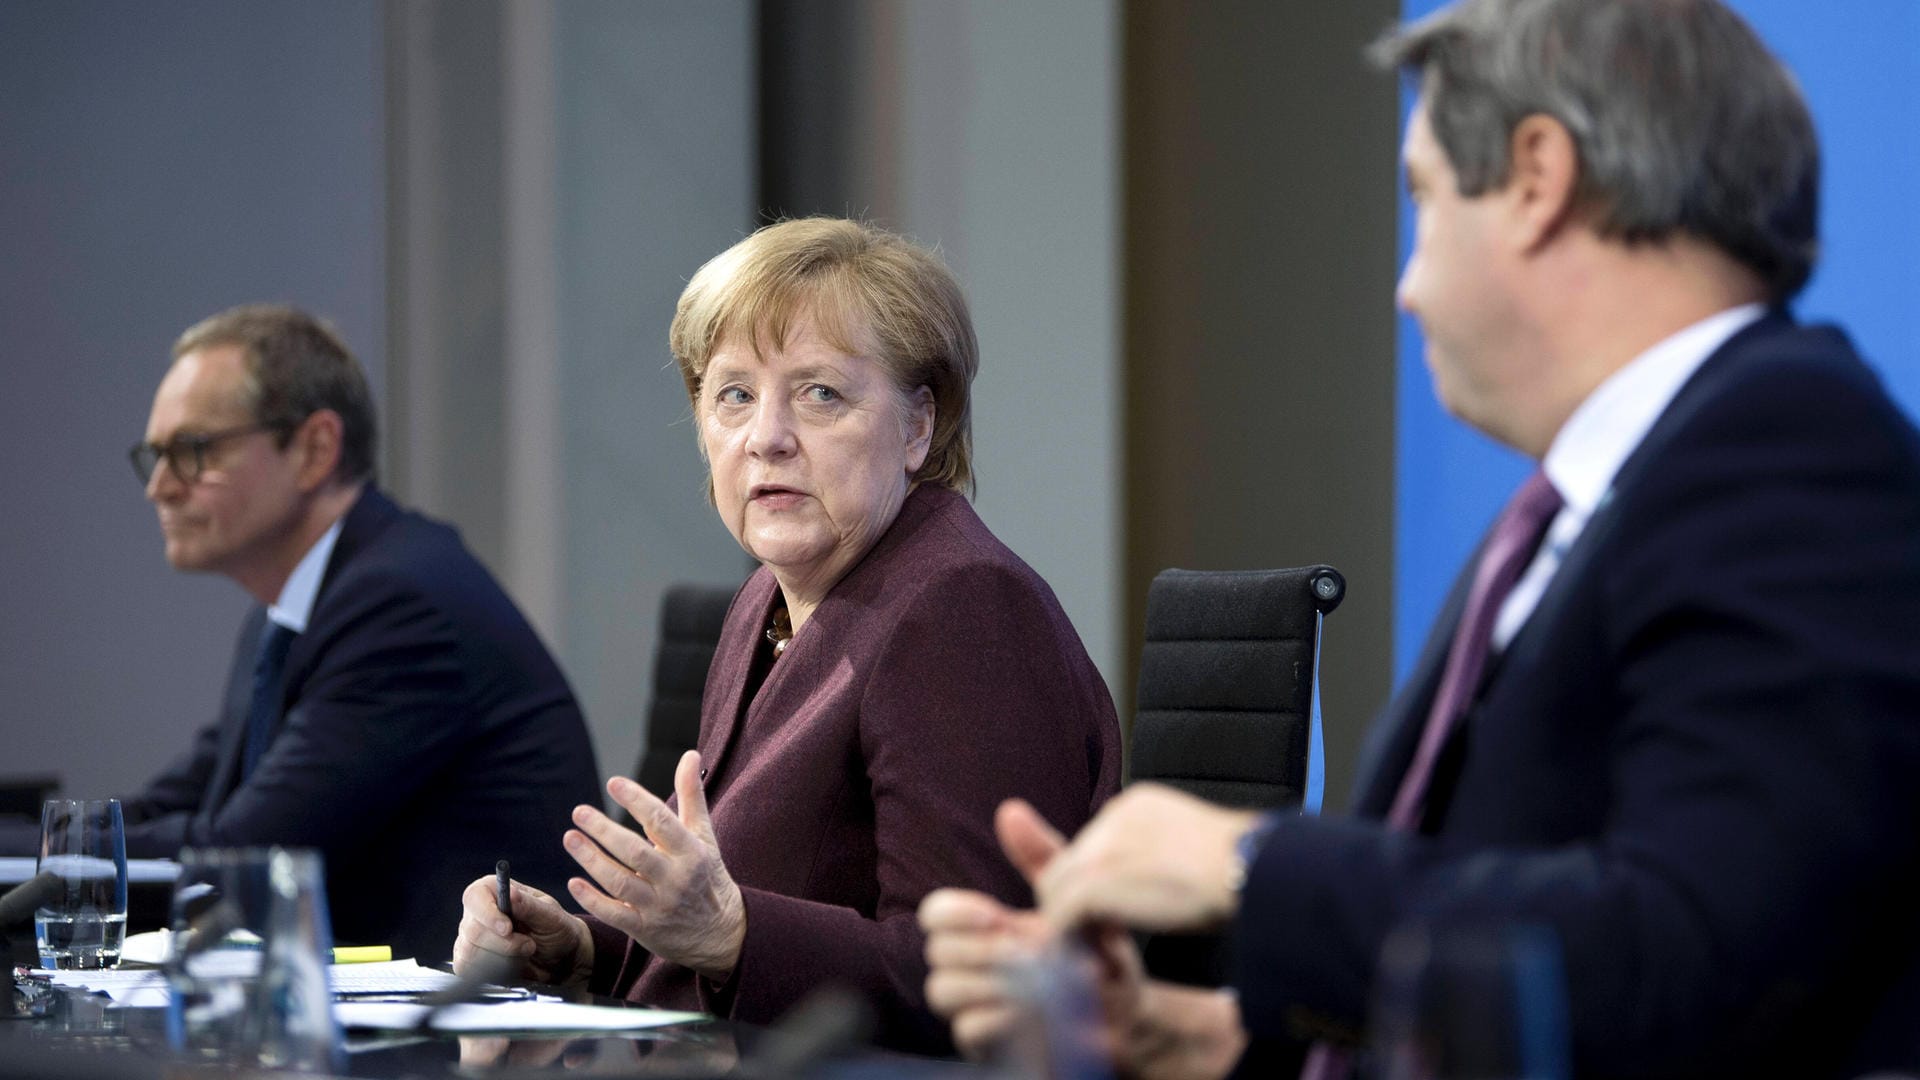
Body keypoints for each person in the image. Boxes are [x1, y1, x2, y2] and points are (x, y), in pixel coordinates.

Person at [920, 1, 1920, 1076]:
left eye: (1425, 200)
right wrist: (1194, 1040)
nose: (1404, 288)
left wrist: (1249, 861)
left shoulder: (1789, 451)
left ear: (1538, 177)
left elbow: (1695, 950)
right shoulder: (1598, 501)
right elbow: (1507, 934)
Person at [451, 217, 1123, 1052]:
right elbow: (751, 900)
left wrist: (731, 935)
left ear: (920, 427)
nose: (764, 436)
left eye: (820, 394)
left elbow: (979, 985)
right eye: (733, 394)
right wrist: (582, 951)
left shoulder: (961, 606)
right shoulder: (768, 600)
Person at [61, 304, 600, 960]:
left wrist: (53, 858)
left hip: (467, 1037)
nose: (158, 487)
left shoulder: (402, 604)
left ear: (314, 449)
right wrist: (47, 845)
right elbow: (180, 803)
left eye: (192, 451)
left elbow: (244, 862)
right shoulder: (291, 610)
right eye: (154, 455)